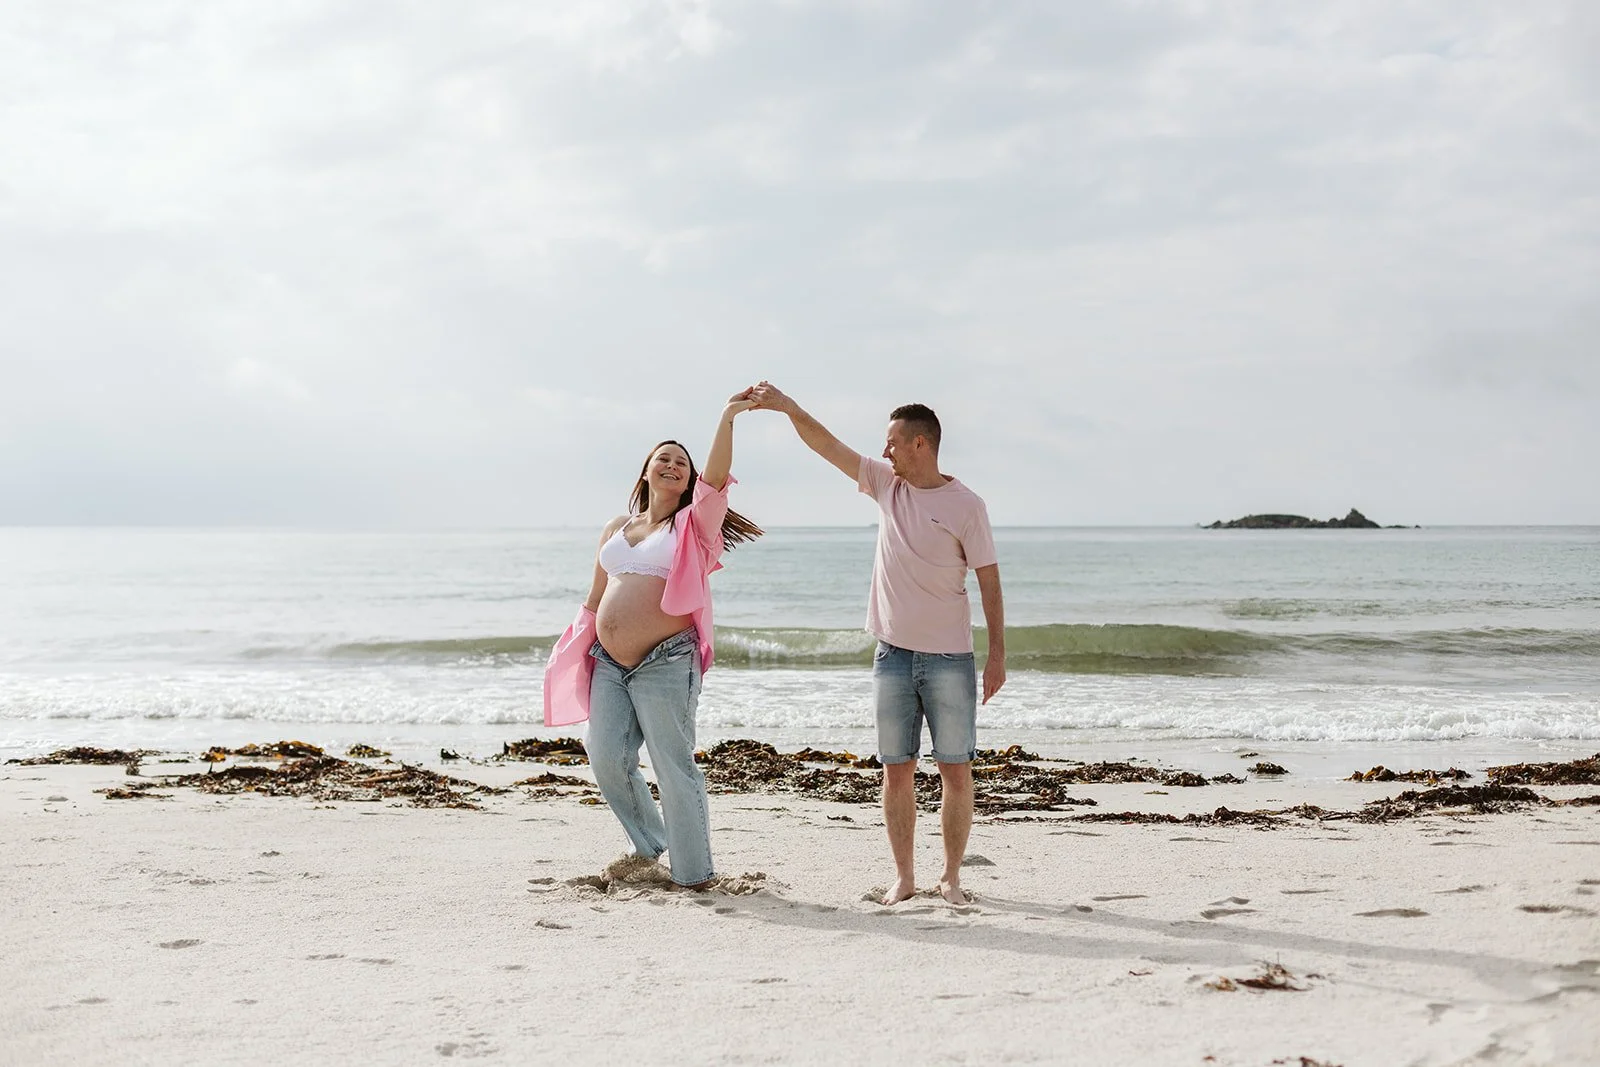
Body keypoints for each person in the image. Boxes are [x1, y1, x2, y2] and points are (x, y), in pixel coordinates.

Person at [749, 383, 1005, 905]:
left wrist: (998, 655)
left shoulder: (967, 506)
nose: (883, 451)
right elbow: (826, 444)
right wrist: (787, 406)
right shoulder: (887, 485)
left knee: (955, 770)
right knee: (896, 769)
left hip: (949, 659)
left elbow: (989, 581)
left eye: (892, 442)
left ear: (920, 444)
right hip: (891, 655)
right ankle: (906, 877)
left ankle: (952, 876)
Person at [542, 390, 762, 888]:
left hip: (667, 660)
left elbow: (715, 479)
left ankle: (694, 874)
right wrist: (574, 645)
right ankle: (651, 844)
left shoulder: (693, 524)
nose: (673, 465)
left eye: (681, 462)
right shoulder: (617, 528)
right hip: (609, 662)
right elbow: (598, 595)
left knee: (673, 766)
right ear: (645, 471)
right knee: (606, 759)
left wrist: (727, 416)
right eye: (663, 458)